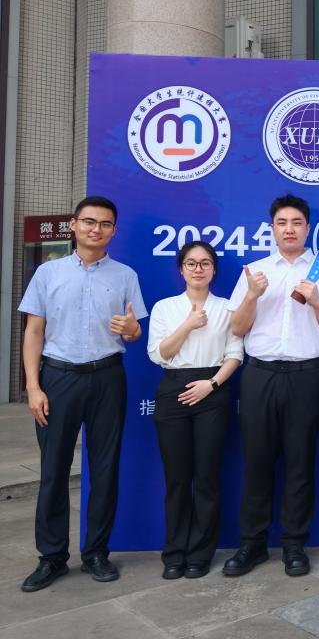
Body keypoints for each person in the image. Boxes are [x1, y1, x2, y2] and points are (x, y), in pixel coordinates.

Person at [18, 196, 147, 592]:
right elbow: (34, 332)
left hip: (107, 377)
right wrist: (34, 387)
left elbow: (135, 332)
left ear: (114, 230)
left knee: (105, 468)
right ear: (73, 225)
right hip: (58, 377)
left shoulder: (125, 275)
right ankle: (52, 557)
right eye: (89, 221)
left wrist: (131, 330)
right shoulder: (48, 273)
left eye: (105, 224)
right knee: (54, 469)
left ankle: (96, 552)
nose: (96, 229)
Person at [223, 194, 319, 577]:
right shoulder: (255, 271)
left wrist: (317, 301)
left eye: (296, 223)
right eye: (282, 223)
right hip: (259, 375)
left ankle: (294, 545)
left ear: (307, 229)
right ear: (272, 229)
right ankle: (252, 544)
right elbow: (237, 328)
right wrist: (251, 296)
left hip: (306, 375)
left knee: (300, 462)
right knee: (257, 461)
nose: (289, 229)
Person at [147, 241, 243, 579]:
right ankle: (174, 553)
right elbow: (159, 354)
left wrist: (211, 384)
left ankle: (201, 553)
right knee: (177, 479)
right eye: (191, 263)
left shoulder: (228, 308)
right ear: (181, 269)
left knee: (207, 477)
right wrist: (188, 324)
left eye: (205, 263)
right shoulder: (165, 308)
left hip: (212, 390)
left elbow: (235, 354)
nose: (198, 269)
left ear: (214, 270)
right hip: (173, 388)